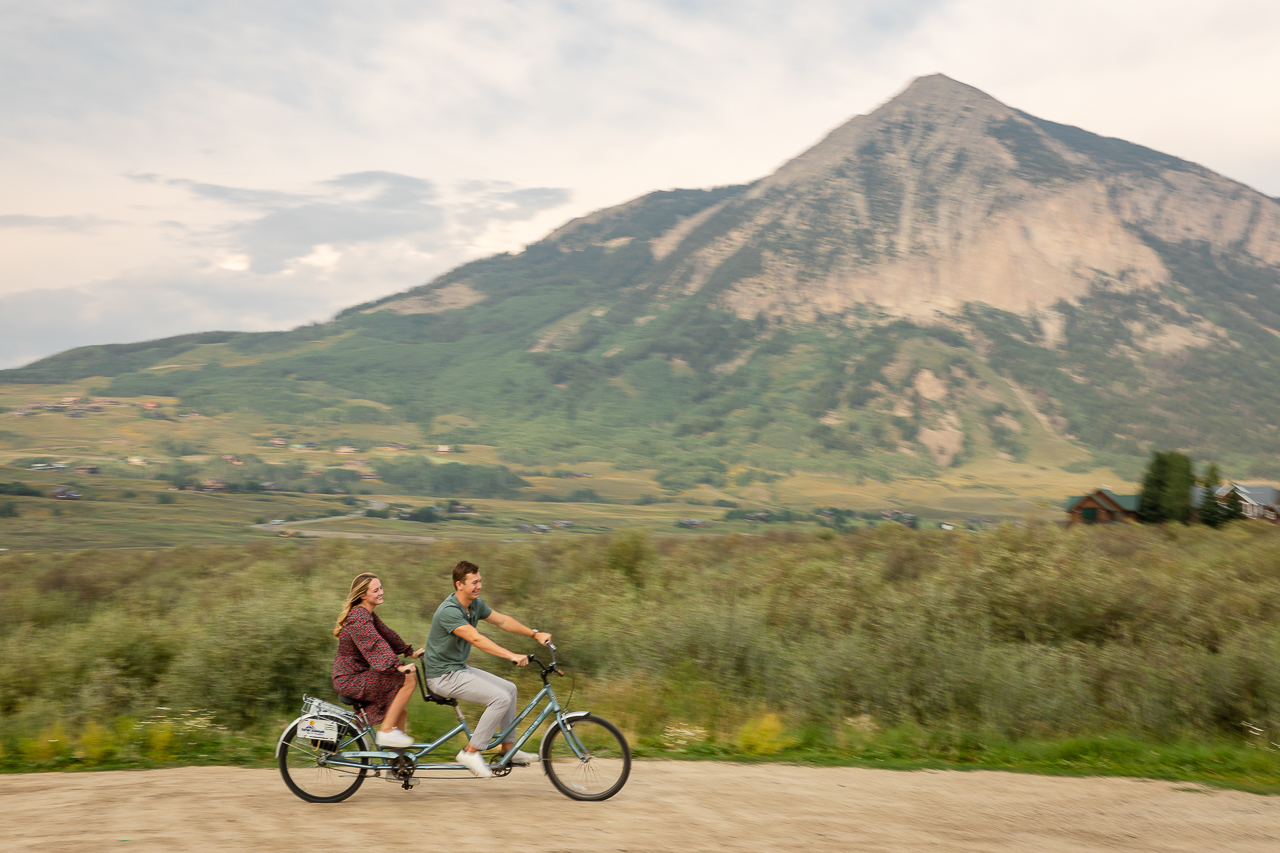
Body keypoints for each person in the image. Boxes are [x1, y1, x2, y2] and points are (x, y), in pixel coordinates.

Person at [422, 560, 551, 777]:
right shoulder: (449, 611)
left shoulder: (475, 605)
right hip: (442, 676)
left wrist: (534, 634)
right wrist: (511, 655)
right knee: (499, 698)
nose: (479, 586)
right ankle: (470, 752)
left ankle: (508, 749)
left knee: (510, 689)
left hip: (457, 669)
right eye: (474, 582)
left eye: (480, 581)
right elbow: (477, 640)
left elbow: (502, 621)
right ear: (459, 584)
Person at [332, 572, 424, 748]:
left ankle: (396, 764)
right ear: (363, 595)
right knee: (408, 678)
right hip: (349, 679)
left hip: (357, 676)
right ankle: (386, 731)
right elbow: (374, 643)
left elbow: (386, 634)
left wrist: (409, 652)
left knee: (400, 711)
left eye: (381, 588)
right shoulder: (358, 617)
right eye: (376, 590)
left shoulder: (367, 614)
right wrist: (397, 666)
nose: (381, 592)